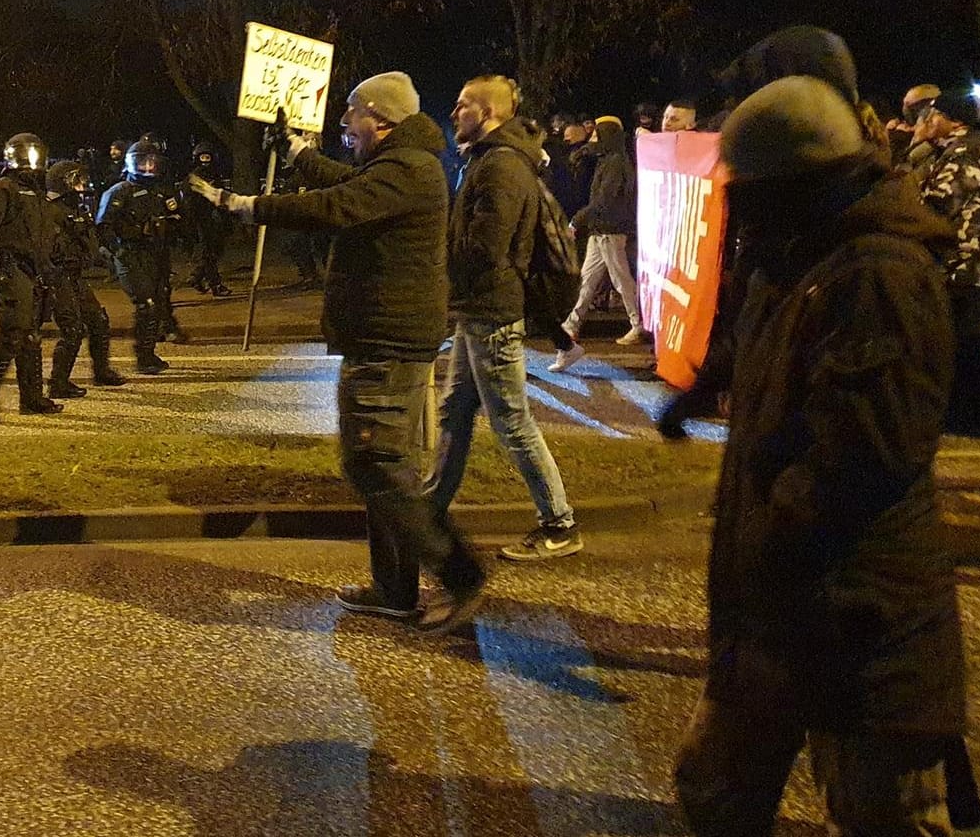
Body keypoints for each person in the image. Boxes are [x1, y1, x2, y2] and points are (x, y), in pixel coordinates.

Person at [672, 76, 965, 834]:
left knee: (878, 815)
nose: (736, 206)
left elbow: (865, 452)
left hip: (858, 615)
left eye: (748, 187)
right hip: (779, 609)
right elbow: (759, 347)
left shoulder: (879, 274)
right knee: (714, 791)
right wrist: (706, 388)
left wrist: (774, 533)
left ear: (796, 181)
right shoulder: (799, 251)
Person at [190, 71, 486, 634]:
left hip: (387, 342)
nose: (344, 126)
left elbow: (335, 205)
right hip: (383, 336)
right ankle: (395, 591)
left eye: (350, 115)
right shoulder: (403, 163)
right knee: (384, 465)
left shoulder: (409, 169)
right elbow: (345, 182)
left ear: (379, 118)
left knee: (373, 463)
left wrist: (247, 205)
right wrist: (300, 153)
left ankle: (460, 572)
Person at [427, 75, 581, 563]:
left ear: (488, 113)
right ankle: (429, 510)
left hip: (492, 313)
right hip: (478, 311)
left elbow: (486, 248)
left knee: (513, 423)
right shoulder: (489, 161)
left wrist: (436, 264)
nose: (454, 114)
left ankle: (559, 524)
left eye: (462, 105)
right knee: (454, 411)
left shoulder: (500, 167)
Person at [912, 93, 980, 431]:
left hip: (959, 258)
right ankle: (965, 409)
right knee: (958, 337)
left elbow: (942, 202)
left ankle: (969, 412)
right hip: (960, 256)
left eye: (935, 115)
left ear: (956, 121)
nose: (927, 120)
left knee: (961, 339)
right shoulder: (957, 149)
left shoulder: (965, 152)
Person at [0, 133, 63, 422]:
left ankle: (31, 398)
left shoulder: (40, 194)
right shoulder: (1, 190)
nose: (31, 161)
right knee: (13, 333)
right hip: (12, 267)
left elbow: (44, 234)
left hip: (37, 270)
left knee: (31, 336)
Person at [555, 115, 646, 369]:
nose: (592, 139)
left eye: (596, 136)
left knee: (620, 279)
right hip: (600, 230)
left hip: (610, 229)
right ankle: (571, 325)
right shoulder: (609, 161)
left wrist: (577, 220)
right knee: (587, 278)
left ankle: (638, 324)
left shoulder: (616, 164)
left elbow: (605, 200)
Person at [99, 136, 188, 373]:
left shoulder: (161, 191)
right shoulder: (120, 191)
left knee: (158, 302)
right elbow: (103, 228)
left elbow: (179, 220)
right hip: (130, 255)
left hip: (156, 254)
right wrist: (122, 248)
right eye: (142, 163)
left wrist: (169, 226)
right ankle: (142, 357)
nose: (147, 168)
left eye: (151, 162)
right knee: (146, 304)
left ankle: (149, 353)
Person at [43, 159, 126, 397]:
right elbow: (49, 247)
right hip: (58, 278)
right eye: (76, 180)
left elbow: (88, 239)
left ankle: (102, 372)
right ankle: (58, 383)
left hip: (75, 276)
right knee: (73, 329)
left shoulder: (76, 207)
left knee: (98, 320)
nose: (82, 184)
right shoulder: (51, 210)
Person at [183, 142, 233, 296]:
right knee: (208, 251)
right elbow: (190, 199)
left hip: (213, 218)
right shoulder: (195, 176)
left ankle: (201, 278)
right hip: (201, 218)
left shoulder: (215, 175)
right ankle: (207, 280)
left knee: (213, 250)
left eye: (207, 157)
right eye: (202, 157)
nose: (205, 160)